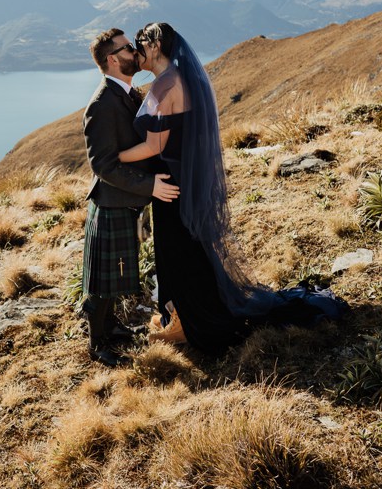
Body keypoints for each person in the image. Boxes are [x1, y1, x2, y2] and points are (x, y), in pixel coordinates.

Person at [119, 22, 346, 354]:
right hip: (177, 179)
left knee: (182, 252)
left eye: (141, 43)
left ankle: (195, 321)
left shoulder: (167, 86)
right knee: (185, 250)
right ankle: (182, 315)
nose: (138, 50)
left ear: (154, 46)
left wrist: (114, 158)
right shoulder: (173, 80)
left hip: (172, 183)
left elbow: (155, 145)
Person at [81, 28, 180, 367]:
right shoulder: (101, 104)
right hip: (110, 201)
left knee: (114, 275)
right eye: (127, 48)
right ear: (112, 59)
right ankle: (98, 345)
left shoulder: (127, 93)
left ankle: (111, 327)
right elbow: (104, 165)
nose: (134, 50)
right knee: (101, 282)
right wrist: (150, 186)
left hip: (125, 201)